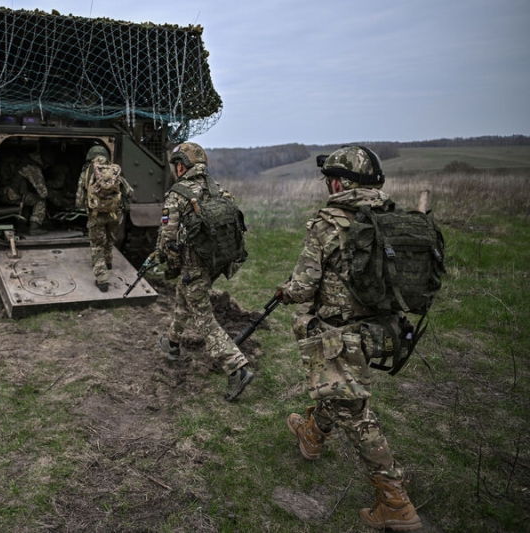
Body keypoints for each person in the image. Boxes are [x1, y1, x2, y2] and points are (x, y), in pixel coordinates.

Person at [275, 145, 422, 531]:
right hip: (382, 330)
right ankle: (312, 433)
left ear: (340, 182)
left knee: (356, 414)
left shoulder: (328, 223)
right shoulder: (390, 217)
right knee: (338, 392)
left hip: (339, 335)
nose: (328, 187)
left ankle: (395, 500)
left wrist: (286, 290)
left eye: (329, 181)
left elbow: (304, 288)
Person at [156, 141, 253, 401]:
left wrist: (169, 263)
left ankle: (237, 367)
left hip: (193, 266)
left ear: (180, 166)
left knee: (204, 320)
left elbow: (167, 239)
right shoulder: (217, 189)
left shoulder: (178, 194)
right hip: (214, 264)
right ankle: (173, 344)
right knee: (182, 296)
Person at [75, 145, 134, 291]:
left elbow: (79, 199)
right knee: (110, 239)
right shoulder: (114, 171)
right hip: (114, 214)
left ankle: (102, 280)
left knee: (97, 246)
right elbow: (130, 192)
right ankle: (108, 263)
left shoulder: (87, 172)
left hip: (96, 215)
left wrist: (87, 205)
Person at [0, 148, 48, 235]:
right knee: (40, 200)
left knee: (28, 198)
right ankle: (34, 228)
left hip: (2, 193)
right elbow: (43, 193)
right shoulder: (32, 167)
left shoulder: (22, 162)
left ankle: (21, 226)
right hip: (12, 195)